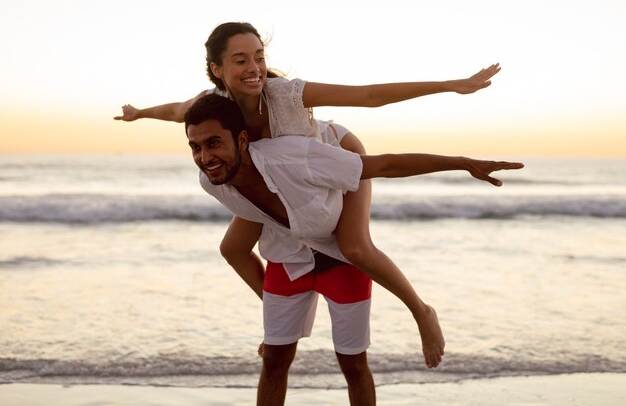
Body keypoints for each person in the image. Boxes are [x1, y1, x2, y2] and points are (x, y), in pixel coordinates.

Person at [115, 21, 502, 368]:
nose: (254, 68)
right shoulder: (210, 107)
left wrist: (450, 85)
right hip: (282, 178)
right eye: (240, 60)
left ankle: (422, 312)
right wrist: (139, 113)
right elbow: (174, 110)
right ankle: (277, 317)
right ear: (217, 70)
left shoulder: (285, 94)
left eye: (259, 57)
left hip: (336, 155)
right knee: (232, 249)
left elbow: (368, 96)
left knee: (354, 248)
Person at [184, 93, 523, 406]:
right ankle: (284, 320)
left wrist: (464, 163)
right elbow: (237, 244)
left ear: (241, 140)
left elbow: (386, 165)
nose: (205, 157)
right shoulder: (211, 181)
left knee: (353, 362)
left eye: (213, 143)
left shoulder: (295, 159)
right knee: (274, 359)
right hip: (288, 259)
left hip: (340, 261)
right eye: (195, 147)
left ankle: (423, 312)